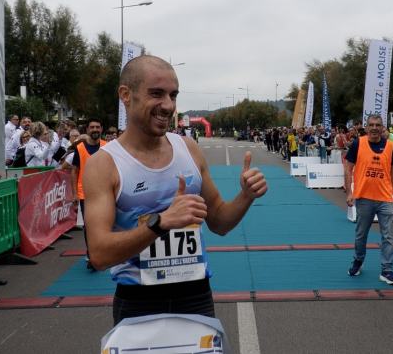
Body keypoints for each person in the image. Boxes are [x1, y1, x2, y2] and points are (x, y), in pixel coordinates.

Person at [83, 55, 268, 324]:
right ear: (126, 95)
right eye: (156, 94)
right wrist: (161, 223)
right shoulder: (105, 163)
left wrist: (246, 196)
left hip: (195, 296)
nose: (168, 105)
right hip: (138, 300)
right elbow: (99, 255)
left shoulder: (188, 148)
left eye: (173, 95)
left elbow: (220, 222)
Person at [344, 114, 393, 286]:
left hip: (384, 198)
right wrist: (349, 192)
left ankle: (387, 270)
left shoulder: (391, 147)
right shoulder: (358, 143)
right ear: (366, 127)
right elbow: (348, 168)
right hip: (364, 198)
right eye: (371, 125)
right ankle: (358, 261)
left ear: (383, 127)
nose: (375, 128)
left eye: (378, 125)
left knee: (388, 236)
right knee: (361, 235)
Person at [71, 119, 106, 270]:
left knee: (105, 223)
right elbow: (74, 171)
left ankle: (102, 251)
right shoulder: (79, 148)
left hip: (105, 192)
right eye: (92, 127)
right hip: (85, 192)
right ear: (87, 129)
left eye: (97, 127)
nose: (95, 129)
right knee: (89, 225)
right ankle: (92, 255)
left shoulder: (107, 146)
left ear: (101, 129)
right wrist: (74, 194)